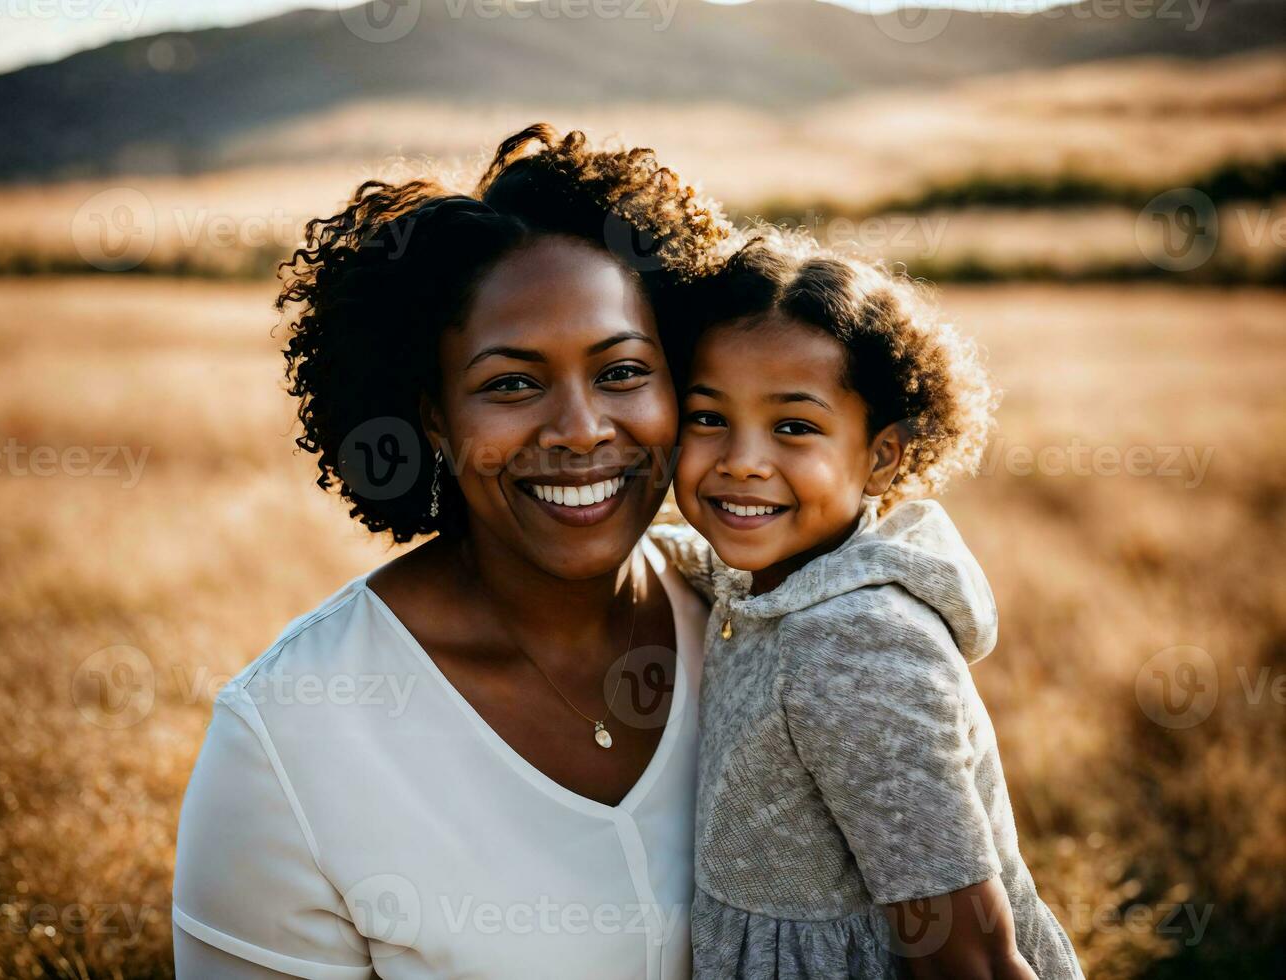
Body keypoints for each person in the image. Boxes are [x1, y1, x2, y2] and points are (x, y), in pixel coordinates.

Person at [172, 124, 732, 979]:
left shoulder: (768, 621)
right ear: (431, 415)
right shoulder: (288, 737)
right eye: (511, 383)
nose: (581, 431)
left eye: (621, 371)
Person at [652, 233, 1084, 978]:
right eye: (707, 417)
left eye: (794, 427)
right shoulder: (768, 577)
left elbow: (972, 956)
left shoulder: (853, 646)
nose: (742, 459)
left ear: (881, 456)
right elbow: (685, 560)